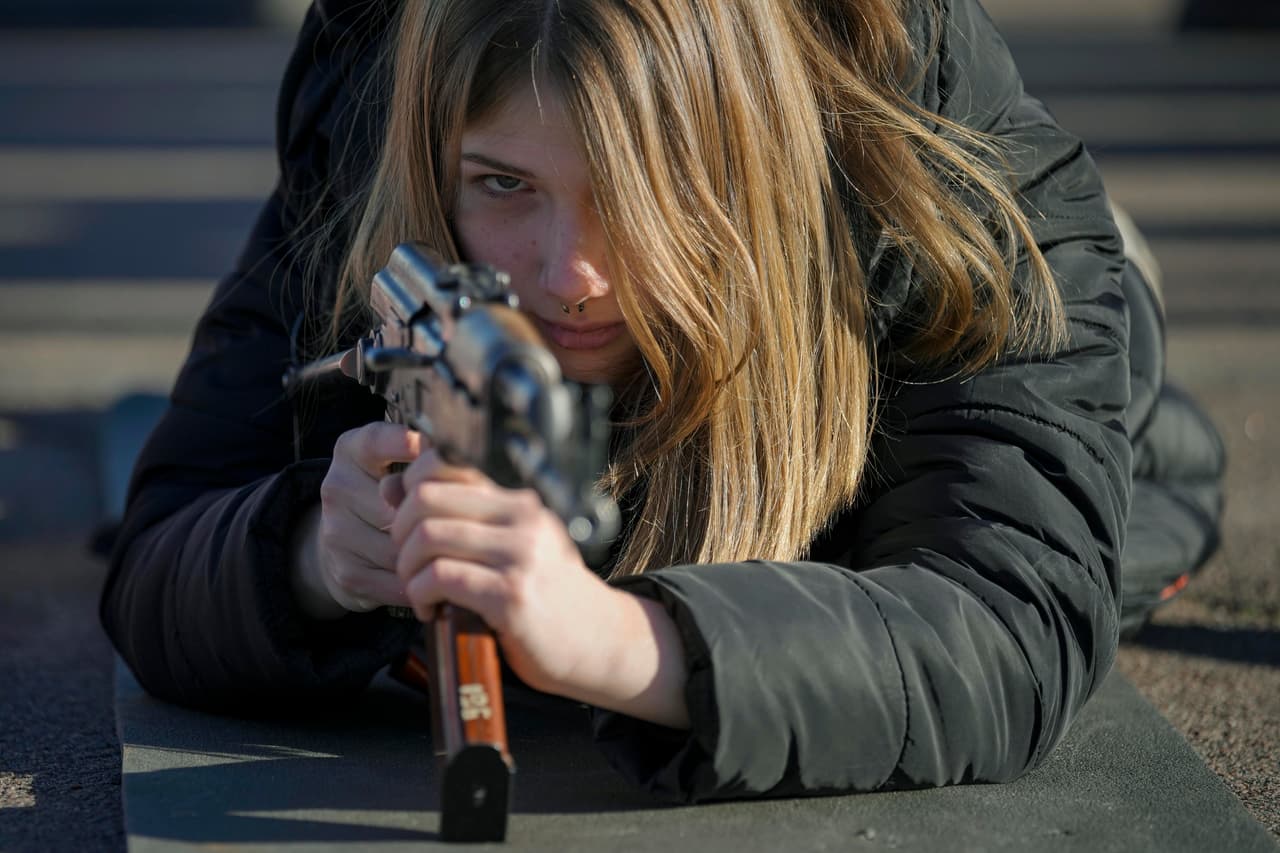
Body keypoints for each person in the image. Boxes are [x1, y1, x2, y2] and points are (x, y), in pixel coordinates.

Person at [101, 0, 1224, 800]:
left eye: (643, 191)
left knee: (1105, 424)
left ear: (745, 162)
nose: (567, 271)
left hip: (1011, 302)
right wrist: (313, 553)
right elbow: (166, 541)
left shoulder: (949, 182)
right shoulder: (371, 108)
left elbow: (1008, 620)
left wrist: (614, 636)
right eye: (502, 185)